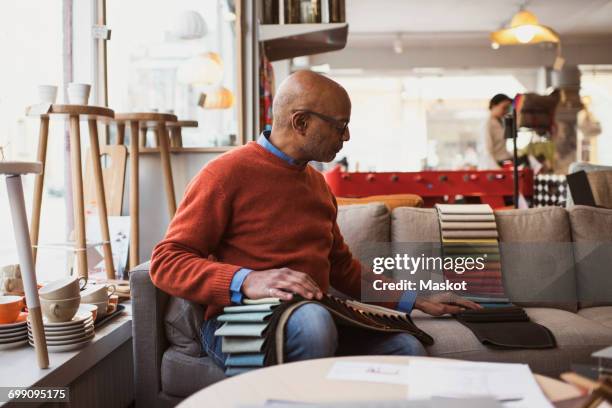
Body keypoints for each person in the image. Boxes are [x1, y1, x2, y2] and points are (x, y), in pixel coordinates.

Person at [150, 71, 480, 370]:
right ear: (301, 122)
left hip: (315, 316)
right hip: (240, 324)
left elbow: (343, 268)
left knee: (406, 348)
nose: (346, 136)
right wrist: (247, 280)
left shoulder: (317, 185)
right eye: (339, 125)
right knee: (314, 322)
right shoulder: (225, 174)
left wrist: (416, 297)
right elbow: (166, 262)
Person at [481, 93, 513, 168]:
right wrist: (497, 169)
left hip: (504, 160)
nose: (506, 111)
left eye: (508, 108)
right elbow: (488, 150)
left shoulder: (501, 121)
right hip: (495, 164)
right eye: (504, 108)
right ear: (493, 105)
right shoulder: (487, 124)